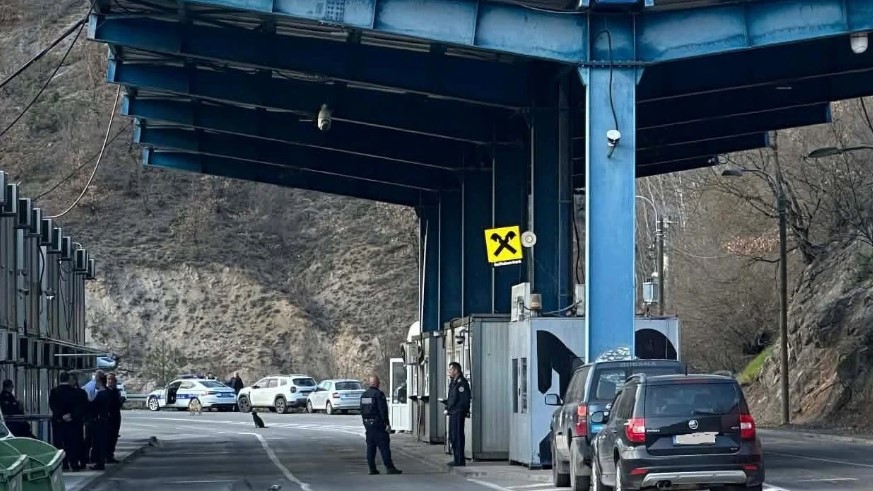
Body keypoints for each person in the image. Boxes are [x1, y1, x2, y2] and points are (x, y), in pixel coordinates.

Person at [359, 376, 401, 475]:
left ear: (370, 383)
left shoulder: (364, 395)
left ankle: (372, 468)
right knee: (384, 446)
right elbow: (383, 410)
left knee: (370, 447)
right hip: (378, 425)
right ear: (377, 383)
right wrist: (386, 423)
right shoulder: (379, 394)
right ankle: (389, 468)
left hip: (368, 424)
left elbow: (361, 410)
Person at [49, 372, 85, 471]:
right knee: (72, 443)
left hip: (59, 422)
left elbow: (53, 406)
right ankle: (74, 463)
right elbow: (79, 407)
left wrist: (61, 416)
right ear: (68, 379)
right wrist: (71, 415)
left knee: (60, 444)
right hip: (72, 422)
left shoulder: (54, 392)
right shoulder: (75, 392)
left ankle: (63, 464)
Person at [443, 362, 471, 467]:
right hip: (453, 412)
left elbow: (463, 399)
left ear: (456, 370)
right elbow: (451, 398)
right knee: (452, 436)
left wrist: (464, 411)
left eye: (450, 370)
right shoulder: (453, 382)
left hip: (458, 413)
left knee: (458, 436)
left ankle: (460, 460)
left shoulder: (461, 383)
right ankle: (456, 458)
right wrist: (447, 407)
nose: (449, 372)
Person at [105, 373, 123, 464]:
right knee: (107, 438)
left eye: (112, 379)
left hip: (115, 417)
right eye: (109, 379)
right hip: (107, 418)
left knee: (114, 437)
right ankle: (106, 456)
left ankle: (110, 455)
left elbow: (118, 404)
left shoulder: (116, 391)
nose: (110, 381)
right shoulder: (104, 391)